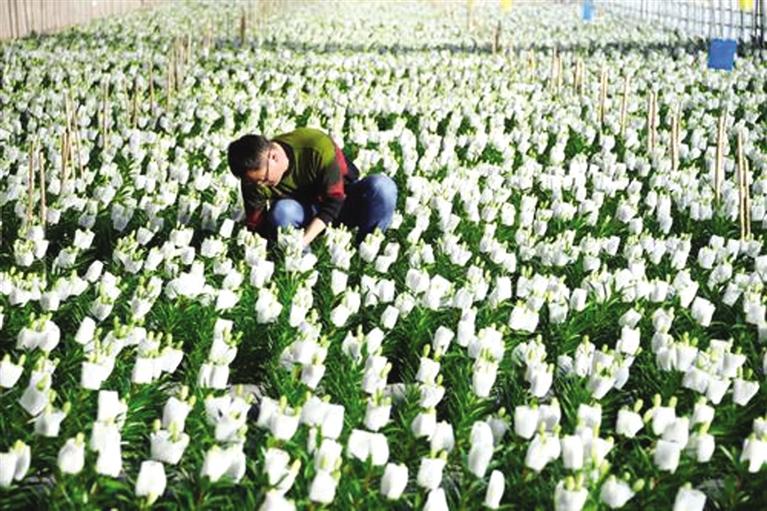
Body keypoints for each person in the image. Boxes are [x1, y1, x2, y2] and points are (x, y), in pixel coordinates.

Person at [227, 127, 397, 247]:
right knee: (282, 212)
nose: (261, 186)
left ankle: (366, 247)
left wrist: (304, 239)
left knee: (383, 187)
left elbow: (335, 201)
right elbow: (257, 224)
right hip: (305, 212)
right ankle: (303, 265)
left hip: (344, 203)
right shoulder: (253, 179)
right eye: (256, 182)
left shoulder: (315, 145)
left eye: (265, 179)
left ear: (274, 157)